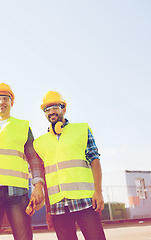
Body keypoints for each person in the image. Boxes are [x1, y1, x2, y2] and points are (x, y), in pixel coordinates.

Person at [0, 83, 45, 240]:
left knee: (23, 237)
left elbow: (34, 158)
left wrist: (38, 185)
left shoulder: (23, 127)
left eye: (6, 98)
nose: (2, 102)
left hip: (17, 193)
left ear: (12, 103)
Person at [33, 91, 106, 240]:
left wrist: (98, 192)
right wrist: (48, 210)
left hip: (85, 200)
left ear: (63, 109)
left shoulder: (82, 130)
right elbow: (45, 177)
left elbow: (95, 160)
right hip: (58, 205)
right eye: (47, 109)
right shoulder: (39, 143)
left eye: (55, 107)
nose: (51, 112)